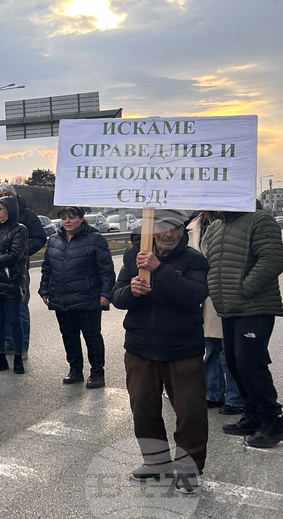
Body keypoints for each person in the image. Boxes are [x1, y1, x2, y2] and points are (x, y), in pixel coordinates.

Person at [111, 210, 209, 493]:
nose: (169, 234)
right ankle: (155, 462)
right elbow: (117, 295)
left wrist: (159, 269)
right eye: (163, 228)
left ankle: (189, 468)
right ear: (151, 230)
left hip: (182, 348)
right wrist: (131, 291)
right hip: (140, 347)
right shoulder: (134, 255)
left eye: (175, 228)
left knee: (190, 411)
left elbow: (194, 295)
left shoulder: (193, 259)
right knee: (143, 408)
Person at [204, 206, 283, 448]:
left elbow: (272, 260)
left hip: (254, 307)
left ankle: (272, 420)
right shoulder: (216, 226)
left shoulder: (260, 220)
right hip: (228, 308)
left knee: (251, 364)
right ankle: (253, 414)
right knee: (234, 362)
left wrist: (243, 289)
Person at [39, 206, 115, 389]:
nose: (67, 221)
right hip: (62, 297)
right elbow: (47, 268)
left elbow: (106, 270)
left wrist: (106, 293)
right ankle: (75, 370)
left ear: (81, 219)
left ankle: (97, 372)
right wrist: (44, 289)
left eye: (72, 217)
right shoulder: (54, 240)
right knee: (69, 336)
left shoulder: (95, 239)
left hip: (88, 297)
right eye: (64, 218)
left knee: (92, 336)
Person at [187, 213, 243, 415]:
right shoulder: (194, 224)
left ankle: (236, 398)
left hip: (226, 290)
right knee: (211, 347)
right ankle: (214, 392)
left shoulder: (230, 222)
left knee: (228, 350)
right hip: (202, 294)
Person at [0, 183, 46, 359]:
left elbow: (40, 238)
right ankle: (9, 341)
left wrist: (22, 252)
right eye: (0, 195)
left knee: (20, 307)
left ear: (14, 196)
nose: (4, 198)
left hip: (18, 269)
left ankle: (22, 345)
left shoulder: (26, 215)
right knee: (4, 308)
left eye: (7, 194)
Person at [0, 197, 29, 374]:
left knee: (14, 319)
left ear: (11, 210)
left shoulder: (20, 229)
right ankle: (0, 356)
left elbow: (16, 253)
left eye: (2, 209)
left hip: (11, 280)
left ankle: (18, 356)